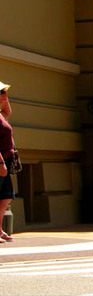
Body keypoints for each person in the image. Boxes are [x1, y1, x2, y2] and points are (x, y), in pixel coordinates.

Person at [0, 81, 15, 242]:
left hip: (7, 159)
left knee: (6, 196)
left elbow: (8, 112)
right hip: (1, 161)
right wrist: (1, 163)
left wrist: (5, 98)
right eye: (2, 92)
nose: (5, 95)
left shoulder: (0, 114)